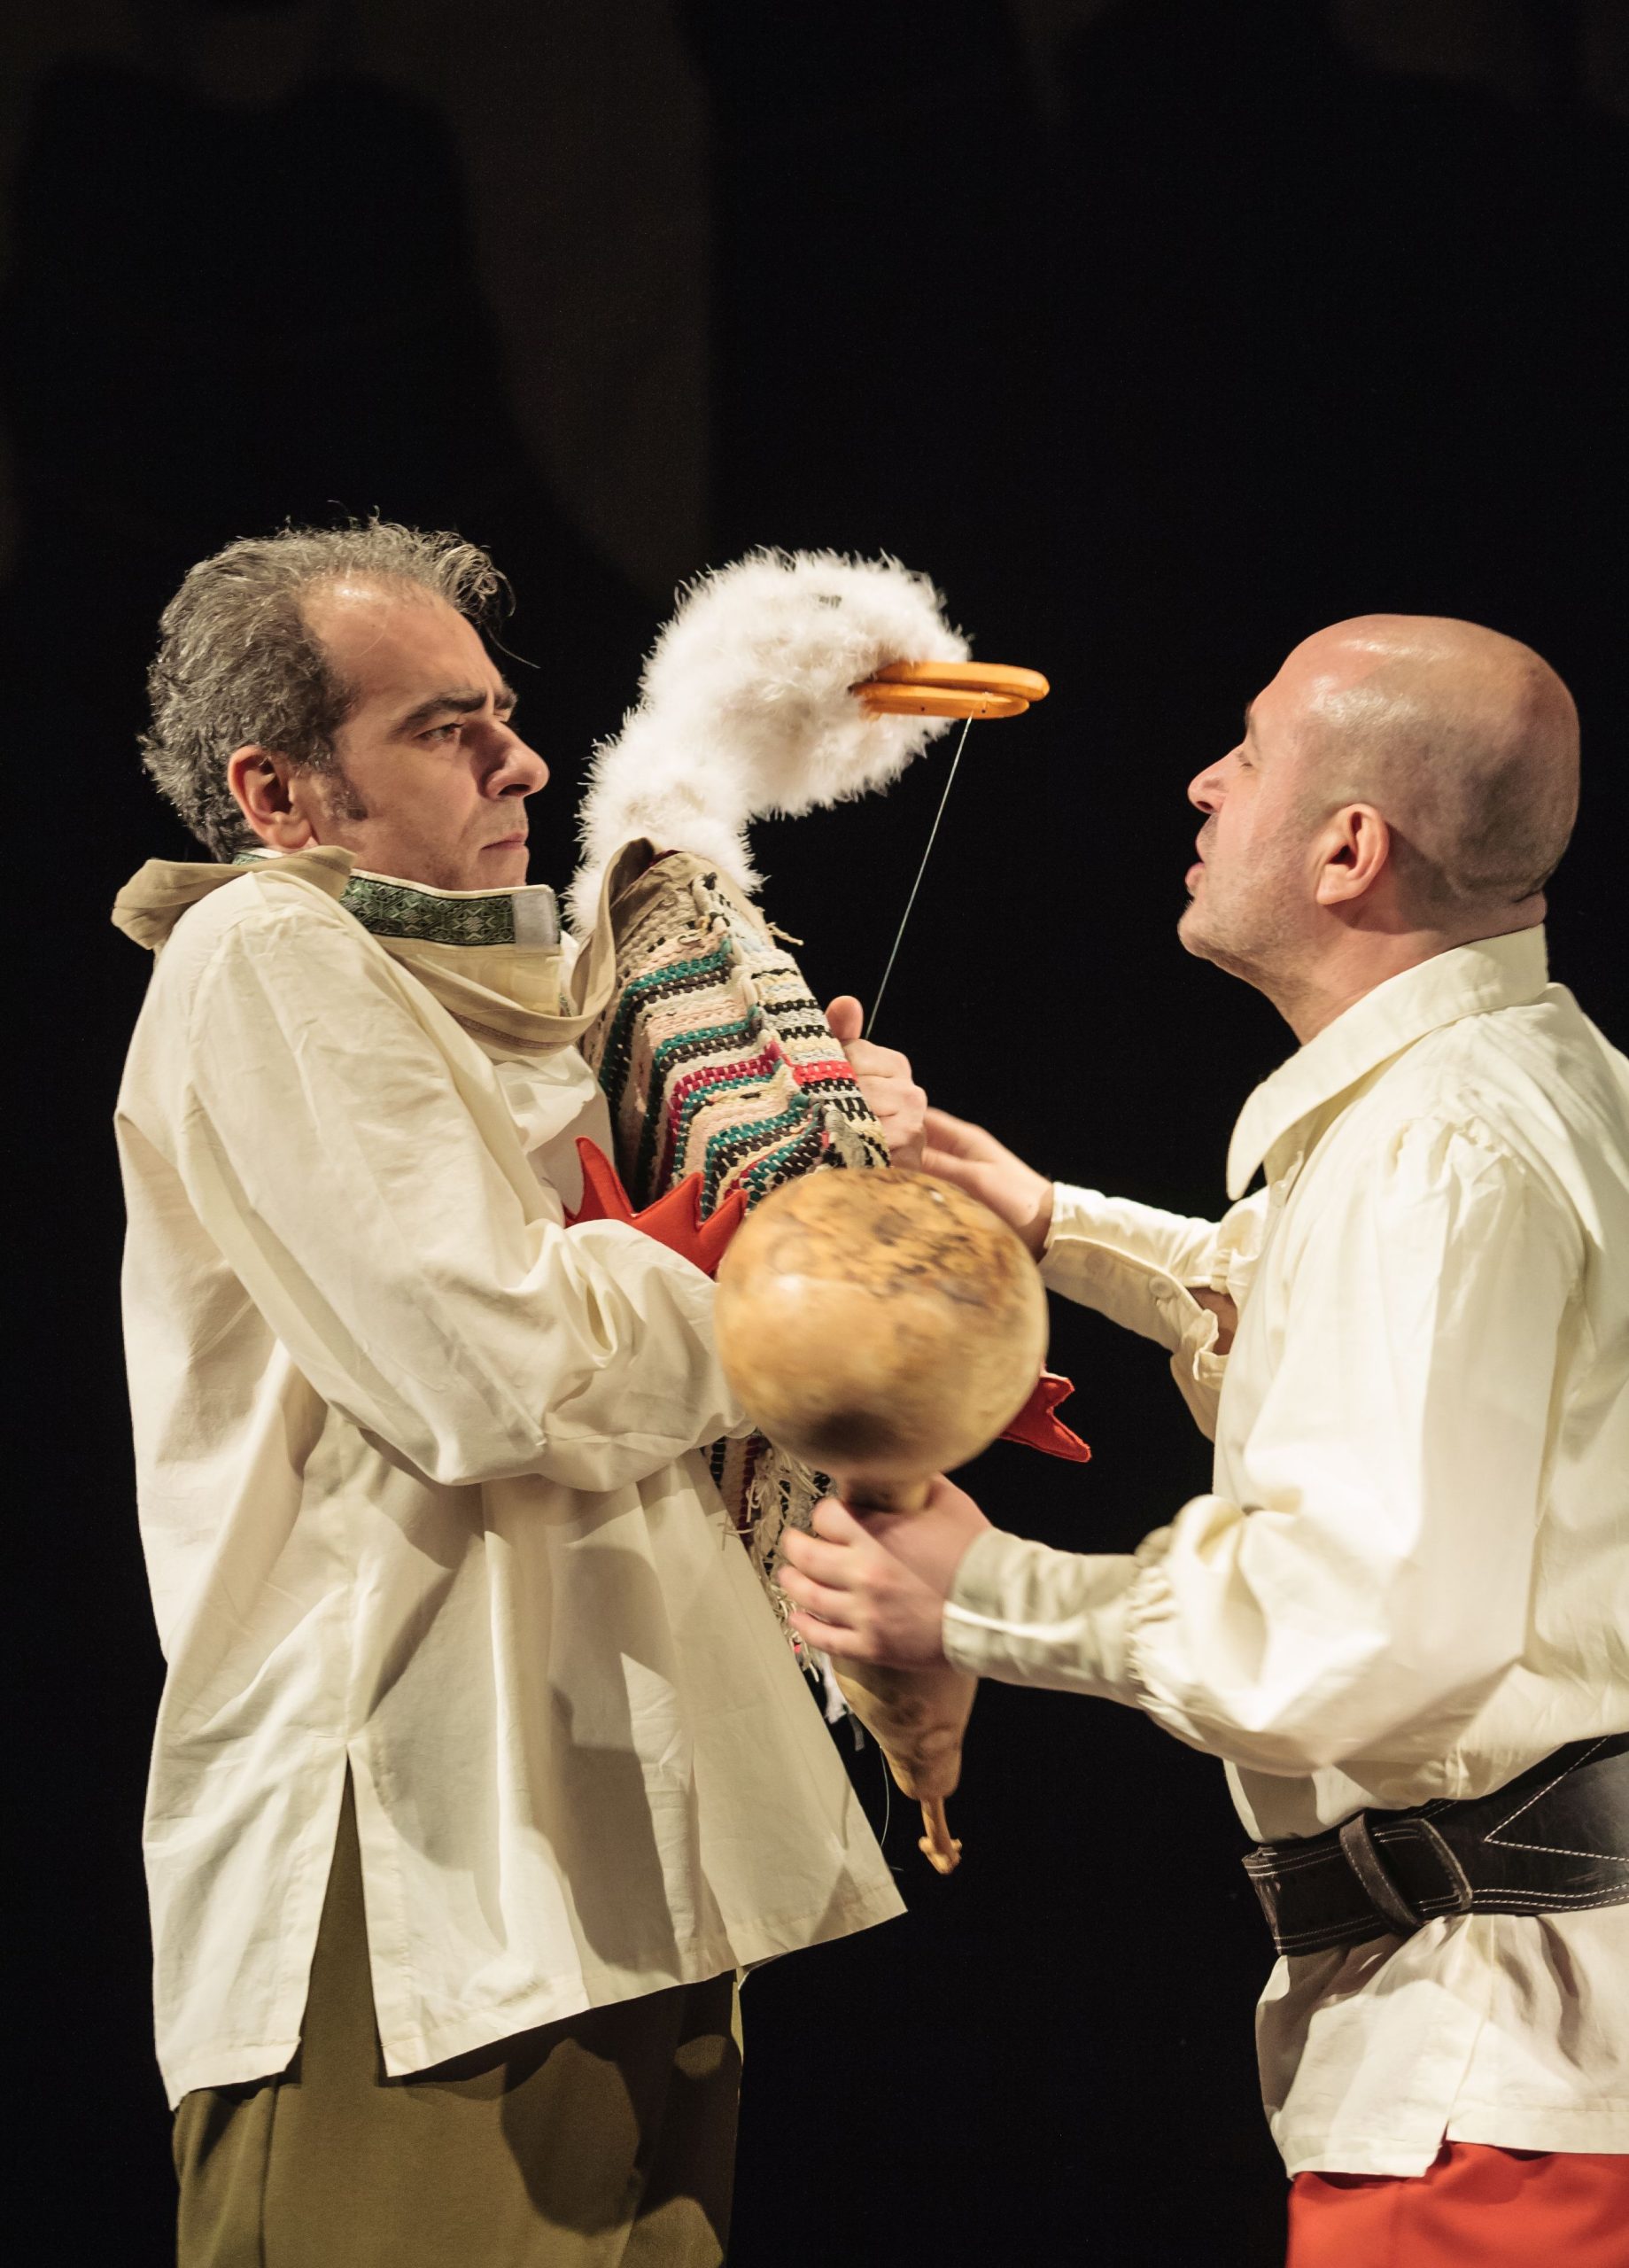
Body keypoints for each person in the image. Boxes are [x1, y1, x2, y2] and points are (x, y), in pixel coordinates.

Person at [113, 520, 917, 2268]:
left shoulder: (486, 997)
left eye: (504, 712)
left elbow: (606, 1310)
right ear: (276, 792)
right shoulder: (262, 951)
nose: (522, 760)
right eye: (443, 726)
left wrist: (821, 1154)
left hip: (626, 1851)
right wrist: (765, 1262)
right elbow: (493, 1367)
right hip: (416, 1866)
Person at [781, 615, 1629, 2264]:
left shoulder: (1437, 1147)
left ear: (1348, 850)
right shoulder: (1531, 1076)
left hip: (1498, 2101)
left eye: (1248, 752)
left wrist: (985, 1595)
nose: (1204, 783)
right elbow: (1351, 1333)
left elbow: (1355, 1624)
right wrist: (1049, 1221)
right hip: (1510, 2068)